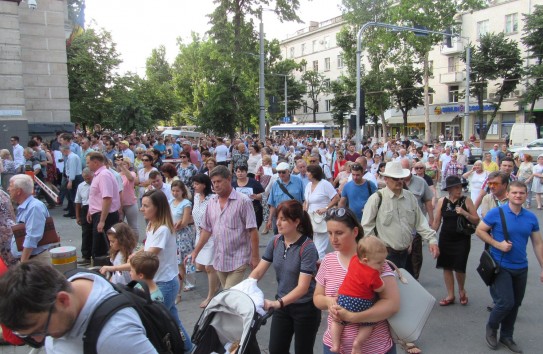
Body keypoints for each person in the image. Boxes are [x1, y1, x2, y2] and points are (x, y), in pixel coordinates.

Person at [0, 261, 157, 352]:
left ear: (63, 300)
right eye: (26, 335)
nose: (39, 340)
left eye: (41, 328)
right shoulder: (72, 281)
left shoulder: (116, 334)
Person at [313, 207, 400, 354]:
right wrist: (330, 302)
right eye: (330, 233)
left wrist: (354, 317)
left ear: (354, 232)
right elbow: (317, 298)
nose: (333, 239)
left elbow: (392, 304)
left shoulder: (377, 262)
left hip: (375, 348)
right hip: (334, 348)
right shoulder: (328, 260)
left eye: (339, 233)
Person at [475, 181, 543, 353]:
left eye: (521, 193)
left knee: (515, 304)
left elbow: (537, 243)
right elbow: (480, 230)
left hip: (521, 267)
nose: (518, 196)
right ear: (508, 194)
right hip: (501, 265)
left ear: (526, 195)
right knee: (505, 302)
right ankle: (492, 327)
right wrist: (497, 244)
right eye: (514, 193)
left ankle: (507, 336)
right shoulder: (496, 213)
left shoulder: (530, 217)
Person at [248, 200, 321, 354]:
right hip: (282, 307)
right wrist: (245, 288)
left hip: (305, 308)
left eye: (283, 219)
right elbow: (259, 271)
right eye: (277, 219)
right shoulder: (275, 241)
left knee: (303, 350)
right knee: (276, 350)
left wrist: (277, 303)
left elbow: (303, 287)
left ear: (296, 222)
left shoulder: (307, 247)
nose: (278, 223)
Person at [139, 189, 192, 350]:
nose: (142, 209)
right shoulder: (151, 225)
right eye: (142, 205)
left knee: (156, 322)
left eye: (146, 206)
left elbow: (148, 256)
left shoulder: (162, 229)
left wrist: (122, 264)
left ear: (157, 208)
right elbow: (145, 249)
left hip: (165, 284)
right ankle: (189, 348)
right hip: (158, 281)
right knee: (174, 321)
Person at [191, 166, 259, 289]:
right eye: (213, 182)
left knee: (228, 293)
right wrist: (195, 251)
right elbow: (206, 229)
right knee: (229, 295)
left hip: (239, 258)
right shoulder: (212, 202)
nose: (216, 185)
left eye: (219, 181)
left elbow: (252, 230)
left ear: (228, 179)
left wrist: (255, 257)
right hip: (219, 257)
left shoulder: (243, 201)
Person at [362, 161, 439, 267]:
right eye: (395, 178)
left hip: (407, 253)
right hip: (386, 255)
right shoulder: (376, 198)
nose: (399, 181)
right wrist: (376, 251)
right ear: (386, 179)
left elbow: (420, 222)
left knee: (408, 280)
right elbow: (367, 227)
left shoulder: (410, 197)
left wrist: (432, 239)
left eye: (401, 178)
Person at [330, 235, 387, 354]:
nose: (382, 265)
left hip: (344, 298)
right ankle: (358, 344)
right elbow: (380, 288)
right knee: (369, 323)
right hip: (363, 302)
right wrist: (380, 278)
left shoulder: (354, 260)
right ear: (366, 260)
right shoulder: (372, 274)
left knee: (337, 321)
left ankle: (335, 344)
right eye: (379, 263)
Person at [432, 176, 479, 306]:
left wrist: (464, 213)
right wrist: (431, 237)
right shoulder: (442, 201)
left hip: (462, 238)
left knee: (459, 266)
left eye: (461, 187)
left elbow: (476, 220)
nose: (460, 190)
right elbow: (436, 222)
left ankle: (462, 290)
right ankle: (450, 294)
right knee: (446, 266)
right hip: (446, 238)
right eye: (456, 187)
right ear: (450, 189)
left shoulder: (466, 200)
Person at [8, 174, 53, 264]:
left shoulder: (34, 207)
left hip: (35, 261)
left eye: (11, 186)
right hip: (30, 259)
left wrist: (23, 263)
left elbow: (32, 237)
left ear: (18, 191)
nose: (8, 189)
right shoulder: (26, 206)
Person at [86, 152, 121, 260]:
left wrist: (102, 221)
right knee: (98, 247)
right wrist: (90, 210)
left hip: (106, 215)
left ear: (95, 162)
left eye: (88, 163)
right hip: (99, 213)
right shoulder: (99, 174)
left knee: (103, 249)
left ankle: (106, 271)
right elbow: (96, 196)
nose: (87, 165)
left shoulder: (104, 175)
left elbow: (107, 198)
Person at [192, 174, 219, 308]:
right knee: (200, 266)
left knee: (209, 267)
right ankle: (218, 279)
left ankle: (210, 296)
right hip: (199, 234)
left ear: (204, 184)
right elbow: (194, 215)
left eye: (197, 184)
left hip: (211, 236)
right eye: (194, 184)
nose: (194, 186)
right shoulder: (196, 197)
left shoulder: (213, 198)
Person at [304, 164, 340, 260]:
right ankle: (315, 270)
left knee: (319, 249)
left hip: (322, 219)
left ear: (313, 174)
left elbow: (336, 198)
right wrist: (304, 213)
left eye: (308, 172)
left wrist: (326, 208)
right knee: (313, 246)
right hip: (311, 218)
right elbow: (307, 201)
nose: (306, 173)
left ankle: (321, 270)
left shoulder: (325, 184)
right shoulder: (308, 185)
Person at [169, 180, 196, 296]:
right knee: (177, 258)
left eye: (177, 191)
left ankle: (190, 281)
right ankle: (181, 277)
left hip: (183, 234)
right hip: (173, 233)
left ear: (182, 191)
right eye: (173, 191)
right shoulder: (170, 202)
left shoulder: (186, 203)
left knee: (186, 257)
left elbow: (184, 222)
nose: (175, 193)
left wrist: (175, 226)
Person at [267, 162, 305, 234]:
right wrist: (270, 219)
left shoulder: (298, 181)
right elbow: (272, 204)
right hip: (280, 215)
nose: (281, 174)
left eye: (283, 172)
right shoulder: (275, 184)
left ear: (288, 171)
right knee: (279, 235)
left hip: (294, 215)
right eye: (279, 172)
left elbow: (304, 200)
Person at [232, 164, 265, 229]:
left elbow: (263, 194)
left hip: (254, 209)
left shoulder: (254, 182)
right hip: (239, 211)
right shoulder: (232, 184)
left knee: (253, 229)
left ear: (246, 172)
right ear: (235, 173)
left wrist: (257, 196)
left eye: (242, 171)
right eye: (238, 172)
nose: (240, 173)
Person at [75, 168, 93, 265]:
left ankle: (95, 255)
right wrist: (78, 216)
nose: (87, 180)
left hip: (95, 207)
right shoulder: (81, 186)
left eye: (88, 178)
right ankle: (86, 256)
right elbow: (78, 202)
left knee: (96, 232)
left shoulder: (96, 184)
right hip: (85, 208)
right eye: (85, 178)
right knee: (86, 233)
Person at [117, 157, 139, 237]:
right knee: (118, 226)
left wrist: (122, 167)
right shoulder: (117, 175)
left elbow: (130, 178)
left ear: (128, 165)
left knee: (133, 226)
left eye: (124, 164)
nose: (122, 165)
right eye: (121, 164)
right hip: (119, 204)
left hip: (130, 203)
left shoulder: (132, 173)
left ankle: (135, 244)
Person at [0, 188, 17, 267]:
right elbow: (12, 211)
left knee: (7, 261)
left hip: (2, 233)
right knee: (12, 260)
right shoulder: (2, 193)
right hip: (10, 228)